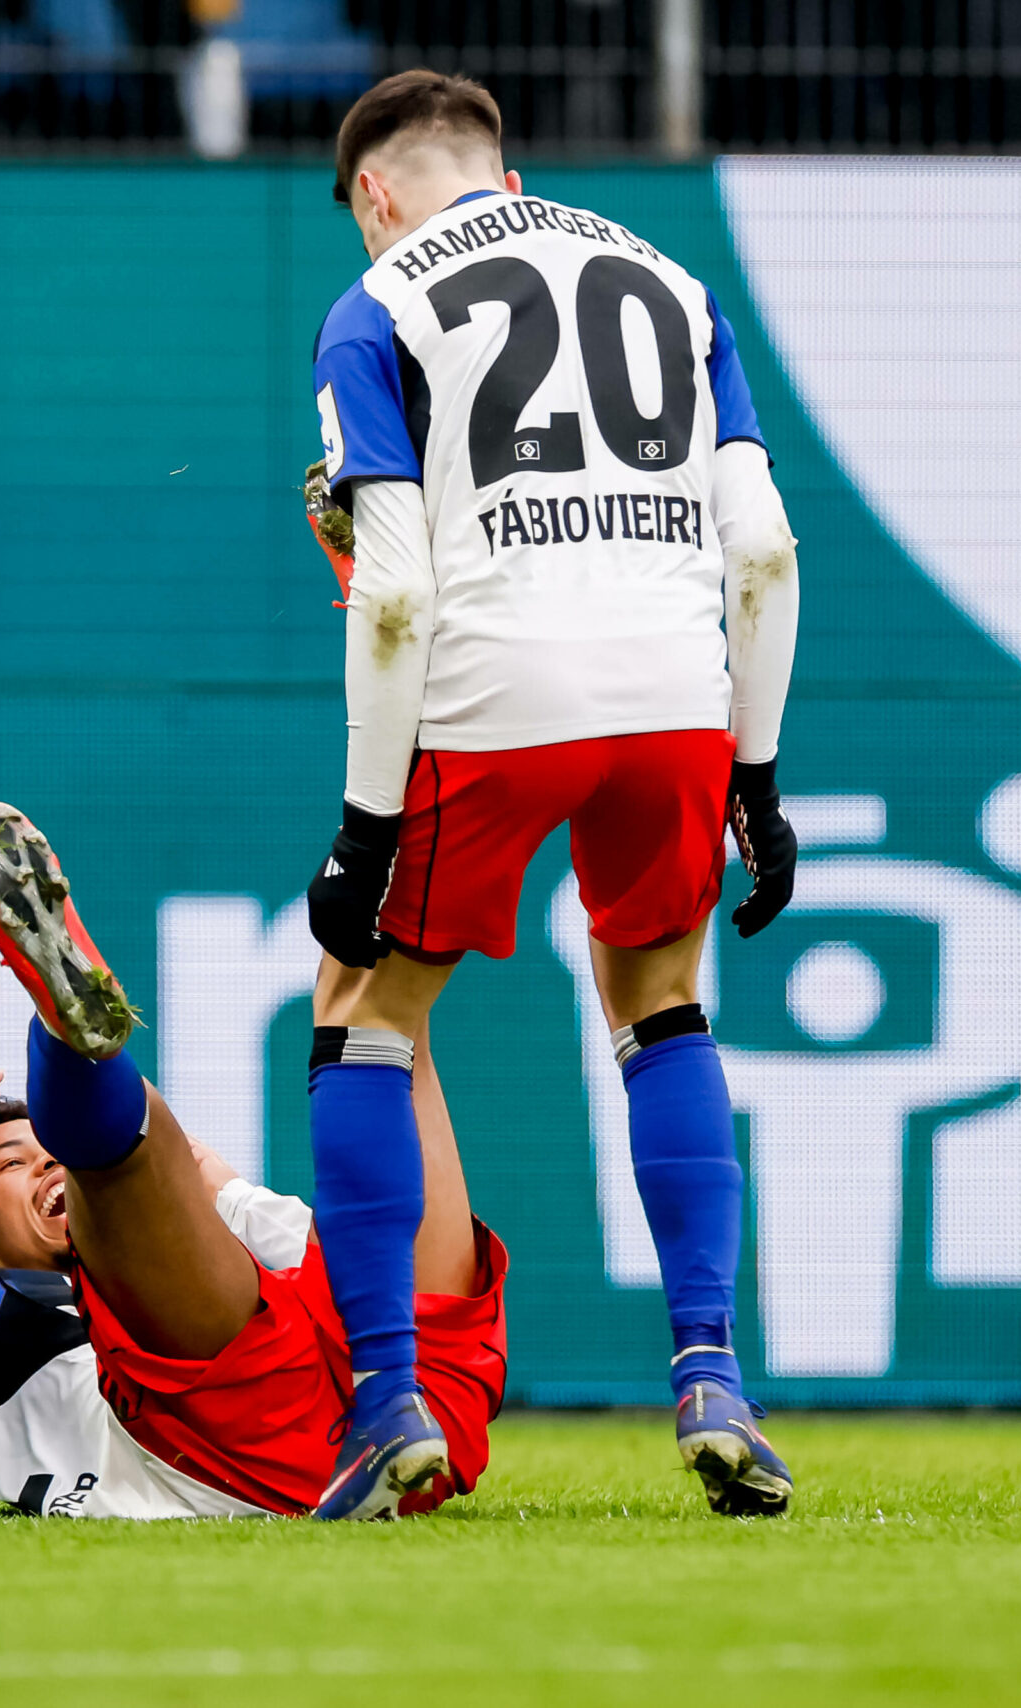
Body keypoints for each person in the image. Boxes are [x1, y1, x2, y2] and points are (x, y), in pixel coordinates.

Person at [296, 69, 802, 1519]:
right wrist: (755, 777)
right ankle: (711, 1372)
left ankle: (389, 1399)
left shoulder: (378, 300)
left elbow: (391, 593)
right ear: (506, 173)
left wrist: (362, 826)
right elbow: (761, 549)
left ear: (376, 195)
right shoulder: (672, 280)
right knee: (660, 1002)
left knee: (363, 1011)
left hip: (486, 695)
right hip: (672, 696)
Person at [0, 803, 507, 1519]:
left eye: (49, 1154)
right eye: (14, 1163)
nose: (46, 1169)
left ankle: (414, 836)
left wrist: (229, 1195)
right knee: (130, 1143)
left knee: (371, 999)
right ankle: (69, 1040)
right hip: (250, 1450)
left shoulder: (199, 1256)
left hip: (415, 1386)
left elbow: (336, 1265)